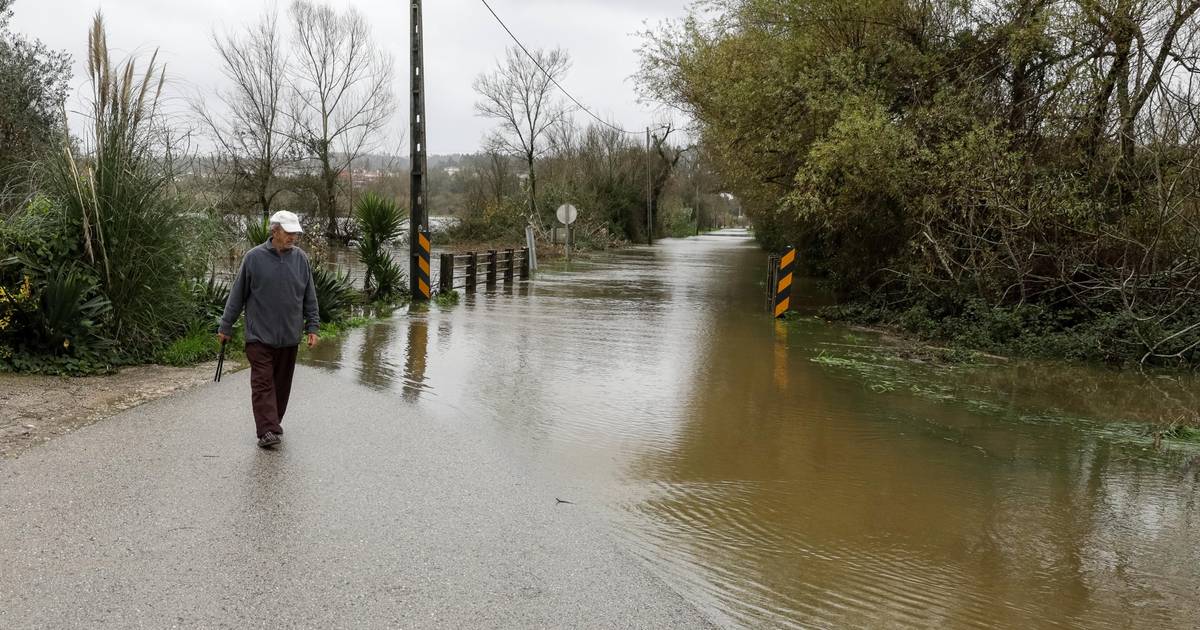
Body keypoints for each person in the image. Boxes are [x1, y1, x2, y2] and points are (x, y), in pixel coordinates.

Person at [218, 210, 319, 448]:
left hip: (289, 337)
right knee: (263, 383)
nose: (293, 237)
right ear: (274, 231)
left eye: (295, 233)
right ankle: (266, 430)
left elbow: (309, 297)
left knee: (282, 385)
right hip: (259, 336)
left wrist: (312, 326)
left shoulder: (301, 259)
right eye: (288, 232)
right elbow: (237, 294)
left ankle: (273, 422)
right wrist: (226, 325)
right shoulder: (253, 258)